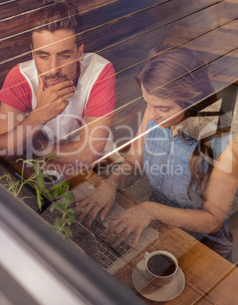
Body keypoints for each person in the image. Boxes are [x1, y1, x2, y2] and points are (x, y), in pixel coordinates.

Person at [75, 45, 238, 260]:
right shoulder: (155, 109)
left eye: (164, 108)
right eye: (147, 103)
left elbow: (213, 219)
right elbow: (134, 160)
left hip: (202, 243)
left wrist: (151, 210)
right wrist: (111, 183)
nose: (151, 115)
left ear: (192, 102)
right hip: (157, 226)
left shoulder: (228, 143)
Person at [0, 0, 116, 171]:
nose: (53, 70)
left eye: (64, 56)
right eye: (44, 56)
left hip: (90, 168)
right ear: (33, 54)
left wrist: (34, 148)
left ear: (79, 53)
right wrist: (39, 115)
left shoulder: (100, 72)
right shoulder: (20, 76)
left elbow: (88, 154)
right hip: (44, 167)